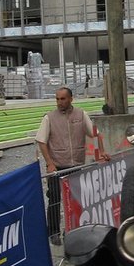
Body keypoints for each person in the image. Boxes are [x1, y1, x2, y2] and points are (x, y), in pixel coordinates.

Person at [35, 87, 95, 243]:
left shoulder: (81, 114)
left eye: (62, 99)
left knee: (76, 199)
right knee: (54, 199)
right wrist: (49, 163)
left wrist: (100, 152)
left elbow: (94, 133)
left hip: (75, 166)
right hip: (57, 166)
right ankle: (53, 232)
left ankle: (73, 229)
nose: (59, 102)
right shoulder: (49, 118)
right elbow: (41, 140)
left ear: (71, 99)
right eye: (57, 99)